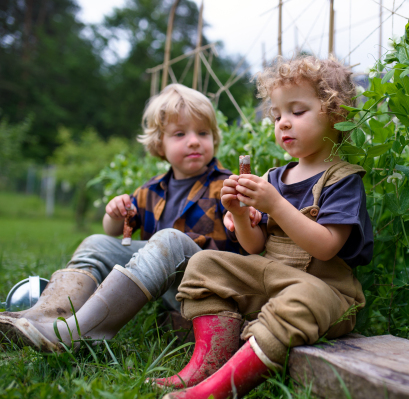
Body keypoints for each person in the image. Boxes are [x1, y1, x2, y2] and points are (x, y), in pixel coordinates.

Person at [154, 56, 374, 399]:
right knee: (203, 264)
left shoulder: (342, 180)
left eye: (297, 112)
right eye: (277, 115)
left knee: (302, 297)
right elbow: (254, 247)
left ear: (336, 113)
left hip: (324, 292)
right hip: (270, 278)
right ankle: (208, 362)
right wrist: (240, 215)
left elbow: (327, 246)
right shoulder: (275, 178)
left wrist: (274, 205)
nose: (283, 123)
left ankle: (219, 388)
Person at [0, 84, 259, 352]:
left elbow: (247, 241)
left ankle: (78, 333)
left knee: (169, 240)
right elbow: (114, 231)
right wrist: (113, 213)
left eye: (202, 133)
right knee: (96, 242)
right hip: (165, 290)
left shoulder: (226, 186)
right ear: (160, 143)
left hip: (205, 286)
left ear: (213, 138)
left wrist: (240, 216)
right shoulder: (149, 190)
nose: (194, 141)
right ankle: (45, 316)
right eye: (180, 133)